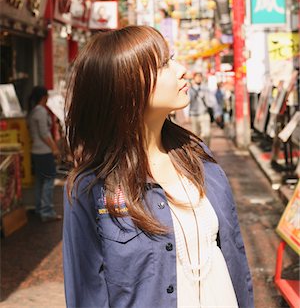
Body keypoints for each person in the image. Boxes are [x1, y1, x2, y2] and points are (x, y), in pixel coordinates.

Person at [63, 26, 253, 308]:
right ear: (126, 87)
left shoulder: (198, 158)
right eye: (164, 64)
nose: (182, 70)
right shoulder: (90, 188)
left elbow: (234, 254)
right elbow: (86, 295)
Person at [28, 86, 62, 222]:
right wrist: (55, 149)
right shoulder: (41, 111)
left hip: (36, 151)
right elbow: (44, 134)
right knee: (48, 180)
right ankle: (47, 211)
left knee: (40, 181)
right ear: (44, 97)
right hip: (44, 151)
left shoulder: (33, 112)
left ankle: (39, 208)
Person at [188, 72, 221, 145]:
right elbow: (187, 103)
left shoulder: (206, 89)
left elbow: (213, 101)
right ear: (194, 78)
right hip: (194, 115)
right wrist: (187, 115)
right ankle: (197, 152)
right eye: (197, 77)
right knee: (195, 135)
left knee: (207, 134)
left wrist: (217, 113)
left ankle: (207, 151)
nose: (198, 78)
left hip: (205, 114)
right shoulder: (190, 90)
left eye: (200, 77)